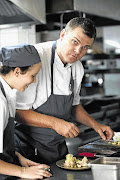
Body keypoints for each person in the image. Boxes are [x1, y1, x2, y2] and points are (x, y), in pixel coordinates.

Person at [15, 17, 114, 164]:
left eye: (85, 47)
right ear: (62, 35)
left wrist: (96, 125)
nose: (78, 51)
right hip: (27, 150)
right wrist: (56, 123)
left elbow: (73, 106)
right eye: (75, 42)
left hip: (56, 148)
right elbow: (18, 112)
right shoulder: (36, 59)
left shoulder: (77, 67)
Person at [0, 45, 52, 179]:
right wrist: (23, 172)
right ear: (17, 72)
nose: (34, 81)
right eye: (33, 75)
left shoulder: (9, 95)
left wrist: (17, 156)